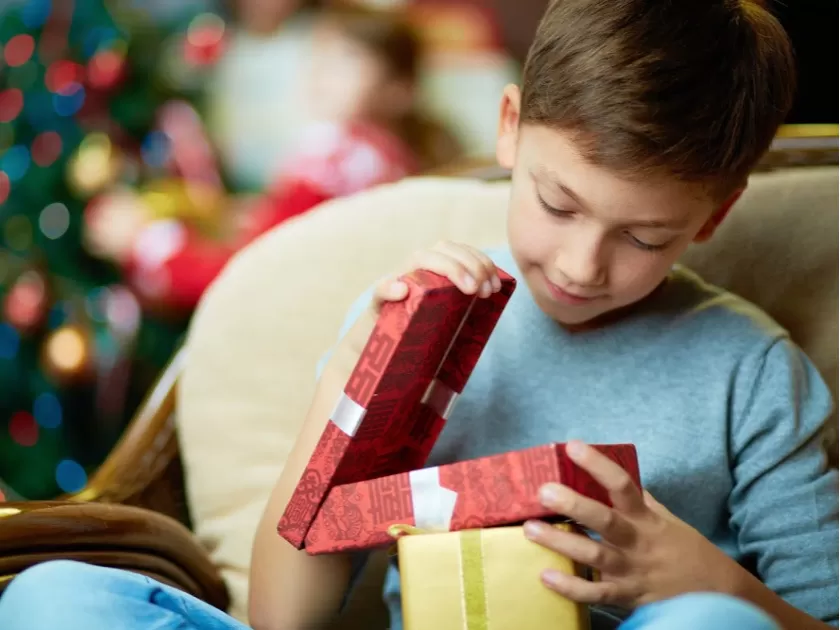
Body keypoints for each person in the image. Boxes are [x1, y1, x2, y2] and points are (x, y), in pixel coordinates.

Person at [0, 2, 836, 630]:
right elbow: (283, 620)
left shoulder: (751, 373)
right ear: (510, 129)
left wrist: (705, 581)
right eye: (556, 203)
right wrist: (352, 392)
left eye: (646, 237)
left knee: (713, 626)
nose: (584, 265)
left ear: (713, 218)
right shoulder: (417, 320)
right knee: (55, 596)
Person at [85, 5, 458, 313]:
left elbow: (246, 277)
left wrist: (144, 241)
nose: (320, 70)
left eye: (345, 58)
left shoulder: (335, 154)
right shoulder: (390, 159)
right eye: (318, 54)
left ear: (398, 90)